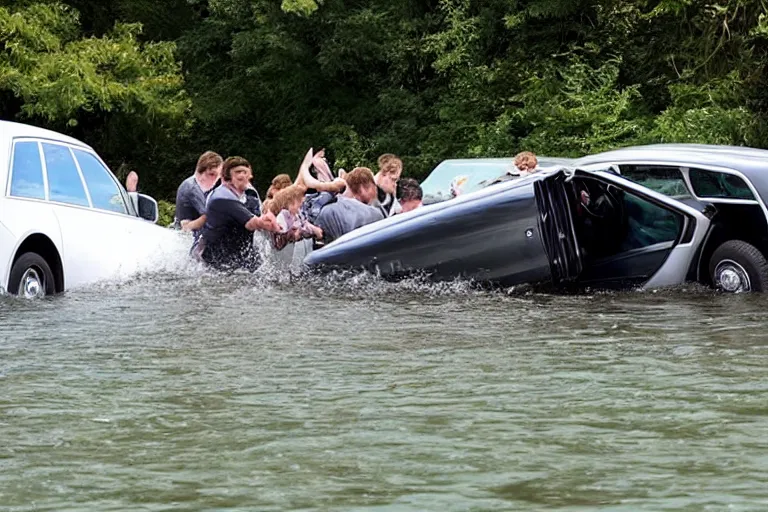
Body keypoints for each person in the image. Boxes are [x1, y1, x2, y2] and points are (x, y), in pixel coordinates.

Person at [195, 157, 280, 270]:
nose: (242, 176)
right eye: (238, 172)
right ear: (227, 177)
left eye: (245, 172)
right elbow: (252, 223)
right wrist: (268, 223)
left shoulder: (250, 197)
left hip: (241, 256)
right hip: (216, 260)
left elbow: (260, 224)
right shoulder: (221, 198)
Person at [314, 167, 384, 243]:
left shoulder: (325, 210)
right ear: (362, 189)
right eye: (374, 187)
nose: (376, 192)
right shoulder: (374, 215)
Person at [175, 151, 223, 236]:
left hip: (186, 235)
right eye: (212, 174)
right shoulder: (193, 188)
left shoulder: (196, 186)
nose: (215, 180)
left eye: (218, 176)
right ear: (200, 171)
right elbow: (211, 216)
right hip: (186, 237)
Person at [268, 184, 323, 251]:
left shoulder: (297, 214)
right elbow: (284, 235)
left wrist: (314, 229)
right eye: (299, 201)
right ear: (290, 202)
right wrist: (297, 232)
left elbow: (305, 224)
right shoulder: (282, 217)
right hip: (289, 252)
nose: (301, 203)